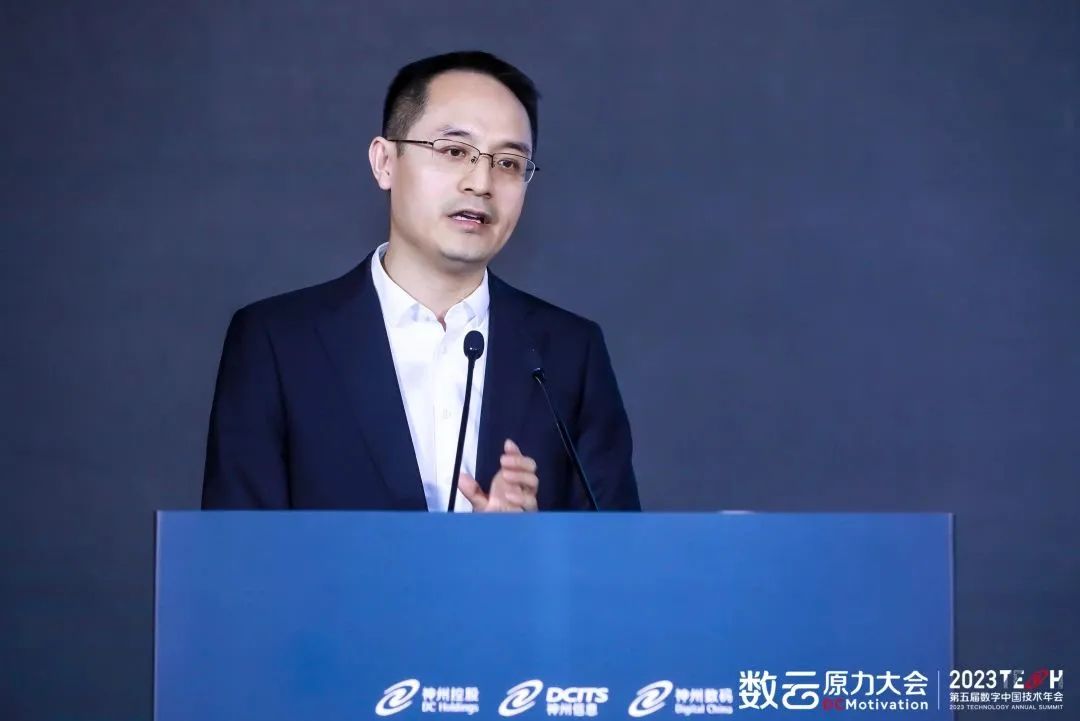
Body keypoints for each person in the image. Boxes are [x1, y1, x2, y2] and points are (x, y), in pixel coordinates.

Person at [201, 50, 640, 512]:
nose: (481, 182)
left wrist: (524, 543)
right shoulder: (278, 342)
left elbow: (617, 547)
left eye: (509, 163)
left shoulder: (568, 353)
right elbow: (236, 546)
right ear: (384, 162)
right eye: (454, 152)